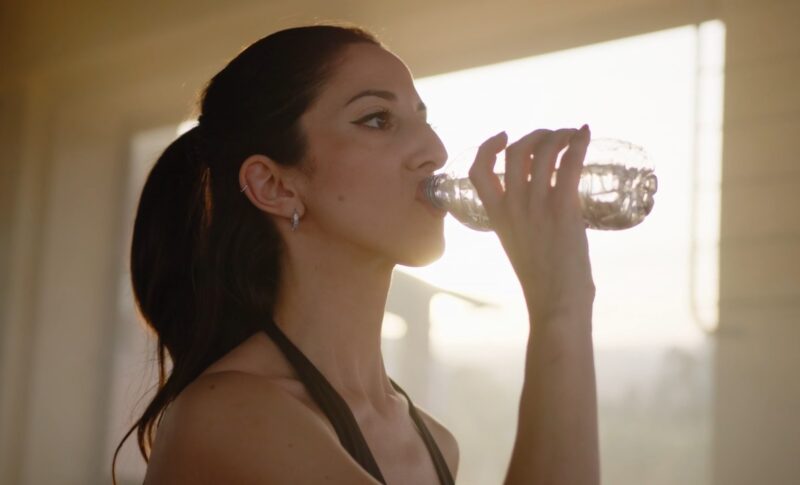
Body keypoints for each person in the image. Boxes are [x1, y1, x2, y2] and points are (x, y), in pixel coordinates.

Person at [113, 24, 599, 485]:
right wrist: (560, 308)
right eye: (377, 119)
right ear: (275, 186)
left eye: (423, 119)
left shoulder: (432, 441)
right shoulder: (228, 415)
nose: (434, 150)